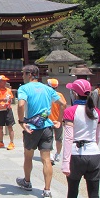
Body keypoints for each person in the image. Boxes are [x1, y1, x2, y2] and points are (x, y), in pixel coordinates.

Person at [16, 65, 66, 198]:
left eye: (23, 73)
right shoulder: (48, 89)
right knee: (46, 159)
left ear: (29, 74)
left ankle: (27, 182)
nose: (22, 76)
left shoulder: (24, 88)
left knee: (28, 156)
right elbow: (63, 104)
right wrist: (59, 120)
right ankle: (47, 189)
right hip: (47, 126)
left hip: (32, 127)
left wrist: (22, 122)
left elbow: (21, 104)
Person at [62, 79, 100, 198]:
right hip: (94, 153)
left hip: (76, 154)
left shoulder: (70, 111)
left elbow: (68, 138)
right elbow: (97, 136)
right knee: (94, 193)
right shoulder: (97, 112)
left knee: (73, 191)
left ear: (75, 93)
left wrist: (65, 163)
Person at [0, 75, 16, 150]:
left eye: (5, 81)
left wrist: (8, 102)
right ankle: (1, 142)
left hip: (7, 109)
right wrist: (2, 100)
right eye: (3, 81)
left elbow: (11, 99)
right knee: (0, 126)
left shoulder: (8, 90)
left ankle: (12, 142)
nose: (5, 82)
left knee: (10, 126)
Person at [47, 78, 67, 164]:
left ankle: (50, 154)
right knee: (59, 138)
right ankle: (58, 154)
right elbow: (64, 106)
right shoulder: (60, 95)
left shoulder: (46, 95)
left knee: (48, 138)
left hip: (48, 120)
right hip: (58, 120)